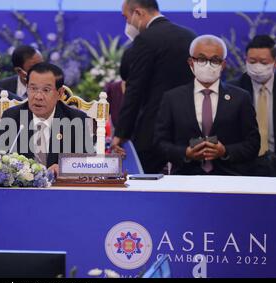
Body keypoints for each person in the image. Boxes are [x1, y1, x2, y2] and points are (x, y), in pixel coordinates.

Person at [154, 35, 260, 175]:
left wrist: (225, 151)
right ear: (191, 62)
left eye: (215, 60)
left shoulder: (241, 98)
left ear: (223, 65)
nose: (208, 65)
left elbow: (253, 144)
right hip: (185, 179)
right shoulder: (172, 98)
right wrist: (185, 153)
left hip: (229, 178)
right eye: (202, 59)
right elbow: (159, 143)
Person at [111, 0, 196, 173]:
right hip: (189, 126)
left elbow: (135, 89)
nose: (127, 23)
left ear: (139, 13)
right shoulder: (190, 36)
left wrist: (120, 133)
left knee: (144, 181)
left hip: (154, 127)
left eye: (126, 17)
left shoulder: (145, 39)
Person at [0, 62, 94, 175]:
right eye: (33, 88)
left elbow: (88, 164)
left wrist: (65, 167)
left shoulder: (75, 120)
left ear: (60, 93)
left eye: (46, 90)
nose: (38, 97)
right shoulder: (12, 117)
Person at [230, 35, 276, 176]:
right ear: (246, 60)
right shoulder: (232, 89)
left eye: (263, 62)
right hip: (243, 164)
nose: (257, 67)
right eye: (252, 61)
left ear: (274, 62)